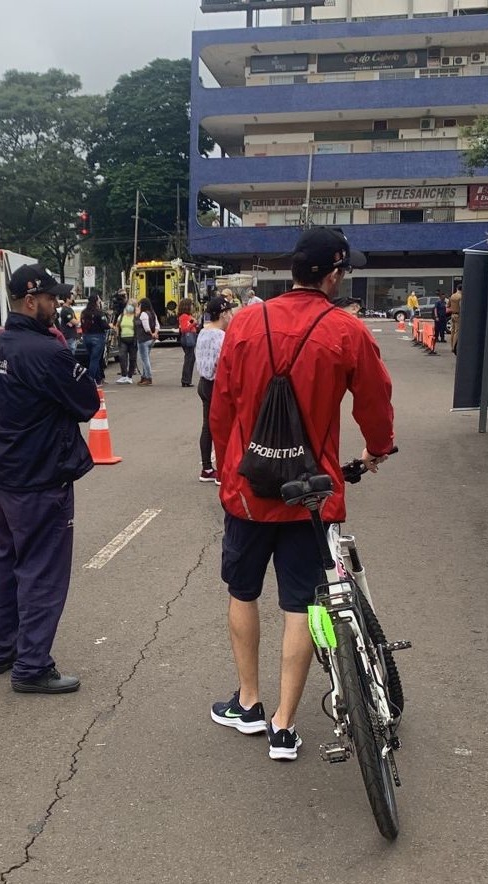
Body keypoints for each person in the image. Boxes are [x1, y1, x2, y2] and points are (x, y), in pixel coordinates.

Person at [208, 226, 395, 761]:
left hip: (249, 491)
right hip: (310, 496)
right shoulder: (345, 330)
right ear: (333, 275)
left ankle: (248, 703)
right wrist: (378, 449)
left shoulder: (245, 322)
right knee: (301, 604)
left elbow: (221, 407)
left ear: (293, 270)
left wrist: (228, 469)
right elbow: (375, 401)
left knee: (242, 591)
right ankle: (284, 726)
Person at [0, 263, 100, 694]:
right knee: (42, 572)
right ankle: (31, 665)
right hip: (40, 477)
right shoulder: (47, 351)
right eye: (50, 298)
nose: (57, 304)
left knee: (6, 563)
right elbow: (86, 402)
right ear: (31, 301)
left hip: (3, 473)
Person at [195, 296, 233, 483]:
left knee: (207, 426)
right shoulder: (221, 336)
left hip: (203, 382)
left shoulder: (203, 332)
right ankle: (221, 469)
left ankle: (207, 468)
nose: (232, 316)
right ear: (223, 314)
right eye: (230, 312)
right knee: (221, 427)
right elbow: (223, 361)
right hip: (216, 384)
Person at [80, 294, 111, 386]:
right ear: (96, 301)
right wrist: (110, 325)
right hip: (97, 337)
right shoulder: (99, 312)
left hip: (86, 337)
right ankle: (90, 380)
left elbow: (81, 324)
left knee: (93, 359)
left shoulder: (84, 312)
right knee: (95, 359)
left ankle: (98, 379)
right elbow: (104, 325)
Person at [135, 298, 159, 385]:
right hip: (151, 340)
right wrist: (155, 333)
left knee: (144, 359)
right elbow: (157, 325)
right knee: (146, 357)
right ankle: (144, 376)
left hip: (143, 339)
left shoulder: (143, 314)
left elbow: (146, 327)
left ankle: (148, 377)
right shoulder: (153, 314)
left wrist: (151, 333)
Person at [113, 298, 137, 384]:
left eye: (131, 305)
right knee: (122, 357)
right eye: (128, 304)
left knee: (132, 358)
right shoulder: (122, 316)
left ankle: (130, 376)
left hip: (133, 340)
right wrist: (117, 333)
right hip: (123, 339)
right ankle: (124, 375)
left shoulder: (136, 317)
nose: (129, 306)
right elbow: (117, 325)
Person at [178, 301, 199, 387]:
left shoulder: (187, 316)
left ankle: (187, 380)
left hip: (190, 336)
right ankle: (185, 380)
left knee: (191, 358)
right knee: (189, 359)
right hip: (187, 337)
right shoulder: (184, 316)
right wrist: (193, 323)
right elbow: (184, 329)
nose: (192, 307)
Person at [448, 285, 462, 354]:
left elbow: (448, 305)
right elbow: (461, 306)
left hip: (452, 314)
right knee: (457, 331)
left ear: (457, 289)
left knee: (452, 331)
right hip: (458, 315)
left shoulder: (452, 296)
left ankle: (451, 346)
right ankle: (454, 347)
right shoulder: (460, 297)